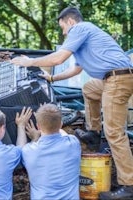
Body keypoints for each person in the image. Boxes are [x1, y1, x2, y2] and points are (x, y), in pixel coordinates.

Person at [10, 6, 133, 200]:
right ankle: (93, 132)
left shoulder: (80, 29)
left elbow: (59, 57)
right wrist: (52, 79)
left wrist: (30, 62)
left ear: (70, 22)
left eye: (63, 28)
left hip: (118, 80)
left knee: (114, 133)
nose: (63, 33)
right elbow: (76, 70)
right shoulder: (84, 40)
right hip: (111, 79)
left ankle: (129, 186)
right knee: (89, 89)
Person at [15, 103, 81, 200]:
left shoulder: (30, 152)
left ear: (38, 126)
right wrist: (50, 114)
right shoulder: (73, 143)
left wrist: (21, 126)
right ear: (61, 124)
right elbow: (62, 133)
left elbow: (19, 150)